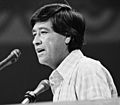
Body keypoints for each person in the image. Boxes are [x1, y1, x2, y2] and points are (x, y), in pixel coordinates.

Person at [30, 3, 118, 102]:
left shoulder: (87, 69)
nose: (35, 41)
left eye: (43, 32)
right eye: (34, 34)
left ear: (67, 36)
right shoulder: (61, 80)